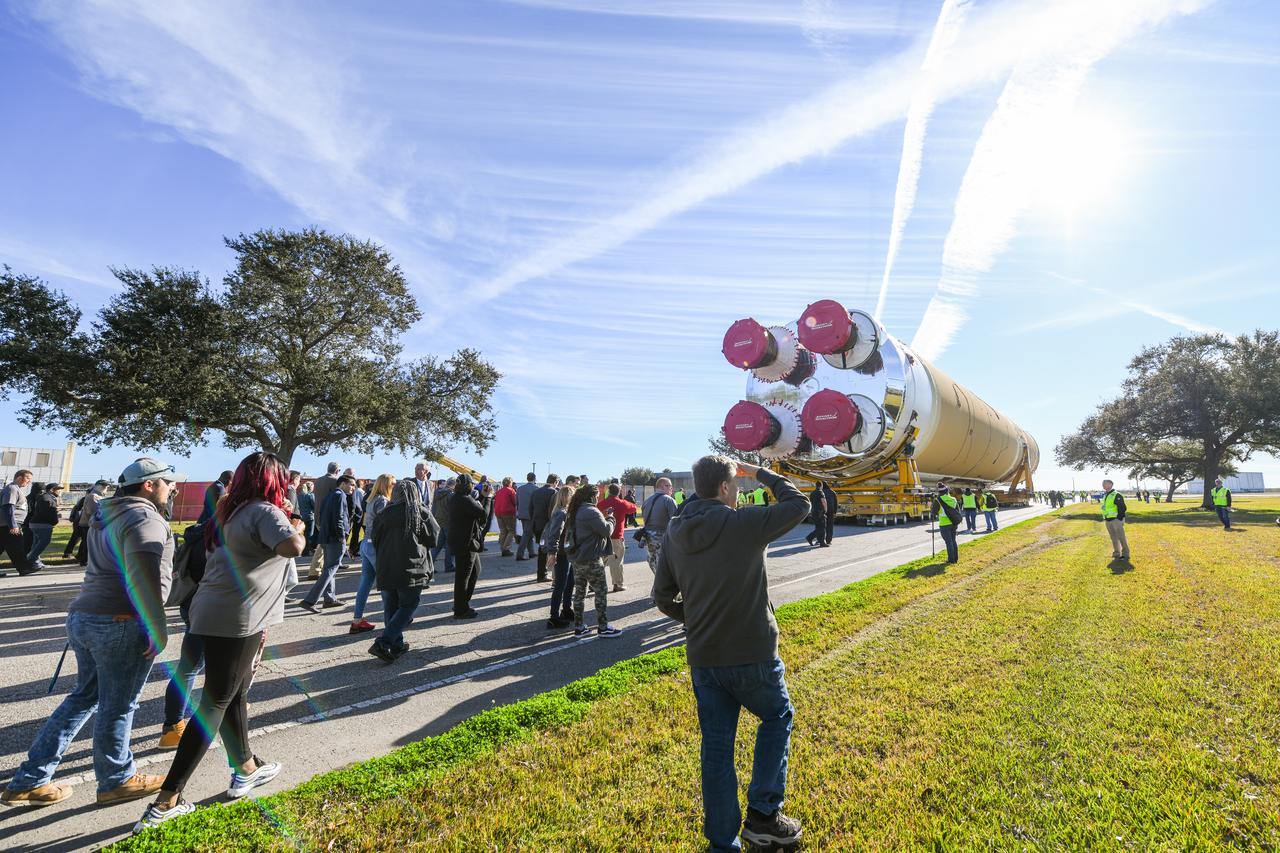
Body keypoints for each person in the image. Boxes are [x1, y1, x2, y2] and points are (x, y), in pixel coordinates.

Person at [136, 452, 304, 830]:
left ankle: (245, 766)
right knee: (214, 704)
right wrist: (299, 525)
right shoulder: (264, 511)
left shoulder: (229, 509)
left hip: (207, 611)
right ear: (275, 481)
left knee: (233, 692)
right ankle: (167, 800)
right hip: (239, 619)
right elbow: (292, 547)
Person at [3, 458, 184, 808]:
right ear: (149, 485)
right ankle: (117, 779)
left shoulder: (108, 513)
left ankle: (29, 779)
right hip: (119, 620)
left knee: (84, 697)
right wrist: (157, 627)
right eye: (168, 482)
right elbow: (143, 577)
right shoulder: (144, 518)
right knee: (118, 705)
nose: (172, 487)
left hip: (87, 615)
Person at [652, 455, 809, 851]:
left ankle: (722, 842)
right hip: (752, 651)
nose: (739, 492)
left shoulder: (675, 530)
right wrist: (760, 472)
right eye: (736, 485)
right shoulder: (742, 523)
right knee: (777, 716)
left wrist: (696, 618)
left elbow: (662, 596)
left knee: (717, 749)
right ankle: (763, 815)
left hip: (704, 657)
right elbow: (800, 504)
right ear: (725, 487)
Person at [368, 479, 438, 662]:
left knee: (391, 606)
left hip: (387, 566)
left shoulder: (384, 514)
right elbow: (433, 538)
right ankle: (384, 642)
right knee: (408, 605)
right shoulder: (420, 512)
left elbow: (374, 538)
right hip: (412, 567)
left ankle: (396, 644)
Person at [562, 484, 621, 637]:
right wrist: (610, 518)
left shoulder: (575, 511)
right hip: (591, 559)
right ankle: (603, 627)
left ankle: (579, 627)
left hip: (577, 559)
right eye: (596, 496)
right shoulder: (590, 511)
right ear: (591, 497)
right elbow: (606, 530)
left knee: (579, 594)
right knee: (601, 592)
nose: (597, 498)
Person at [298, 475, 356, 612]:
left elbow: (322, 514)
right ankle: (310, 601)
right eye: (351, 484)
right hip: (335, 539)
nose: (353, 488)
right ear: (342, 484)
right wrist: (342, 537)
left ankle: (329, 599)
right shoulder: (340, 495)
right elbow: (339, 518)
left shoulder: (330, 495)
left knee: (329, 569)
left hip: (326, 537)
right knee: (331, 569)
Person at [351, 474, 395, 634]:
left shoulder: (371, 499)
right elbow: (386, 524)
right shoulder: (382, 500)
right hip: (375, 545)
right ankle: (392, 620)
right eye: (393, 484)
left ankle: (357, 620)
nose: (394, 487)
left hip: (366, 543)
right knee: (386, 583)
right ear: (386, 485)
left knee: (365, 583)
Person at [448, 474, 490, 618]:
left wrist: (483, 498)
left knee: (475, 571)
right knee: (463, 577)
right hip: (466, 543)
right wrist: (488, 498)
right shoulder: (465, 500)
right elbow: (482, 513)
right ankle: (460, 609)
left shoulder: (457, 498)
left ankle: (461, 603)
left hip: (463, 541)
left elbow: (475, 509)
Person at [541, 485, 576, 628]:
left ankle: (566, 609)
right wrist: (552, 553)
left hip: (567, 552)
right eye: (572, 495)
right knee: (560, 585)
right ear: (567, 497)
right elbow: (555, 534)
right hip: (561, 554)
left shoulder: (564, 512)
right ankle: (553, 617)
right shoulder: (561, 513)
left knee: (569, 583)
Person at [597, 484, 637, 592]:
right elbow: (633, 508)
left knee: (601, 561)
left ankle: (593, 584)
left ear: (609, 491)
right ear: (619, 492)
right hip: (616, 536)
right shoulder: (622, 503)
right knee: (616, 561)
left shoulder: (601, 504)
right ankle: (617, 584)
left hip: (602, 536)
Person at [1, 469, 37, 576]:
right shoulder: (12, 489)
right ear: (19, 478)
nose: (29, 482)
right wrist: (13, 525)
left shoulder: (16, 489)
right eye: (28, 479)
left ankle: (24, 567)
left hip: (6, 524)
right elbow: (8, 507)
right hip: (9, 524)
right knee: (17, 546)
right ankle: (24, 568)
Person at [640, 478, 678, 576]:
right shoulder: (669, 500)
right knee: (666, 566)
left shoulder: (647, 501)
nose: (671, 489)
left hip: (648, 537)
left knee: (653, 562)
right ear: (663, 486)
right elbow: (676, 522)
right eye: (669, 486)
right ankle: (663, 587)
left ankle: (659, 585)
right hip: (663, 537)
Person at [25, 482, 63, 571]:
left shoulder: (45, 497)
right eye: (58, 490)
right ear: (51, 490)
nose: (59, 492)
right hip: (42, 524)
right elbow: (47, 512)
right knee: (44, 541)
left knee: (36, 543)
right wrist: (54, 521)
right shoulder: (46, 498)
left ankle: (36, 562)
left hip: (37, 523)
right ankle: (30, 559)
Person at [529, 474, 559, 583]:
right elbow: (554, 510)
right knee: (549, 549)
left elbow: (530, 509)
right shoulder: (554, 492)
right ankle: (543, 574)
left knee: (541, 549)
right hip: (549, 525)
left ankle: (541, 573)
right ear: (555, 481)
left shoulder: (536, 492)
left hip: (537, 524)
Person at [1100, 479, 1130, 561]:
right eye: (1102, 484)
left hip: (1116, 520)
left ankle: (1125, 554)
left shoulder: (1116, 494)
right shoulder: (1105, 495)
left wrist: (1120, 518)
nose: (1103, 485)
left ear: (1110, 484)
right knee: (1113, 537)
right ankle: (1116, 553)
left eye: (1104, 484)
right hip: (1108, 520)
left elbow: (1123, 508)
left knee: (1121, 537)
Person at [431, 478, 454, 573]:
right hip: (448, 521)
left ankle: (430, 565)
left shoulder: (437, 493)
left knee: (437, 545)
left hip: (438, 520)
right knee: (449, 545)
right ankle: (449, 566)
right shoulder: (451, 494)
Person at [515, 473, 539, 561]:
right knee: (526, 534)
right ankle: (519, 554)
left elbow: (516, 502)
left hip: (522, 513)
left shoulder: (520, 488)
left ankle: (531, 552)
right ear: (535, 479)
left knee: (528, 533)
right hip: (531, 514)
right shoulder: (536, 489)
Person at [934, 484, 960, 565]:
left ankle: (951, 560)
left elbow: (933, 513)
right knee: (953, 541)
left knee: (948, 542)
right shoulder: (953, 499)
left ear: (939, 492)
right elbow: (957, 511)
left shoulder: (937, 500)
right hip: (953, 523)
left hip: (944, 524)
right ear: (947, 491)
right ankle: (955, 559)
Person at [494, 477, 518, 557]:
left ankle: (502, 548)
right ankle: (506, 548)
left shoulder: (498, 491)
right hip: (508, 512)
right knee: (511, 531)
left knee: (503, 531)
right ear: (509, 483)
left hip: (498, 512)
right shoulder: (511, 490)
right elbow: (515, 502)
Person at [297, 481, 316, 554]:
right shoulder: (310, 495)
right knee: (309, 535)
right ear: (311, 487)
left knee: (302, 534)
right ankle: (307, 551)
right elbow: (314, 506)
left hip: (301, 516)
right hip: (310, 517)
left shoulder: (299, 495)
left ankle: (303, 550)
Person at [804, 483, 826, 548]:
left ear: (816, 486)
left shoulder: (812, 493)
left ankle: (820, 541)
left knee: (818, 527)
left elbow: (811, 502)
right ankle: (811, 538)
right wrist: (825, 510)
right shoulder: (820, 492)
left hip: (814, 511)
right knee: (822, 527)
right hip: (820, 512)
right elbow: (824, 502)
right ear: (821, 486)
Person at [821, 482, 836, 547]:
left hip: (823, 511)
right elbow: (836, 502)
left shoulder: (820, 492)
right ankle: (828, 540)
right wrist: (835, 512)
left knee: (822, 525)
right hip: (831, 511)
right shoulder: (832, 492)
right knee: (830, 526)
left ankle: (820, 540)